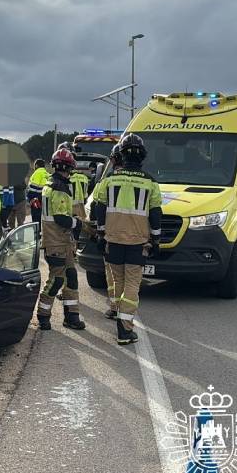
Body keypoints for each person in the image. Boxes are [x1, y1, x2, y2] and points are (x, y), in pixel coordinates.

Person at [94, 134, 161, 345]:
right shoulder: (150, 182)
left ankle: (118, 315)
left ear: (121, 155)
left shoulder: (108, 180)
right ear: (142, 156)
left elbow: (99, 208)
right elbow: (155, 213)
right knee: (132, 283)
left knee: (118, 281)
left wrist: (100, 234)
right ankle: (124, 329)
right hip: (137, 242)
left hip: (113, 240)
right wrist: (156, 239)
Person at [35, 148, 86, 331]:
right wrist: (78, 223)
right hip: (56, 242)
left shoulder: (51, 184)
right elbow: (61, 218)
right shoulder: (59, 188)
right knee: (56, 279)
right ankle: (43, 315)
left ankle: (72, 316)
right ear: (69, 168)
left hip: (62, 242)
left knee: (71, 277)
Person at [91, 143, 123, 319]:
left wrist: (99, 232)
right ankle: (126, 310)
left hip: (112, 235)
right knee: (131, 276)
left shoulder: (106, 182)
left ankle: (115, 306)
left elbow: (96, 206)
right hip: (136, 237)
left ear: (113, 160)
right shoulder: (145, 181)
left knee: (112, 273)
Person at [27, 159, 49, 224]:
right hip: (45, 200)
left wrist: (30, 199)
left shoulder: (37, 173)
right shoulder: (47, 174)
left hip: (36, 201)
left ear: (36, 165)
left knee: (36, 221)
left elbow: (32, 188)